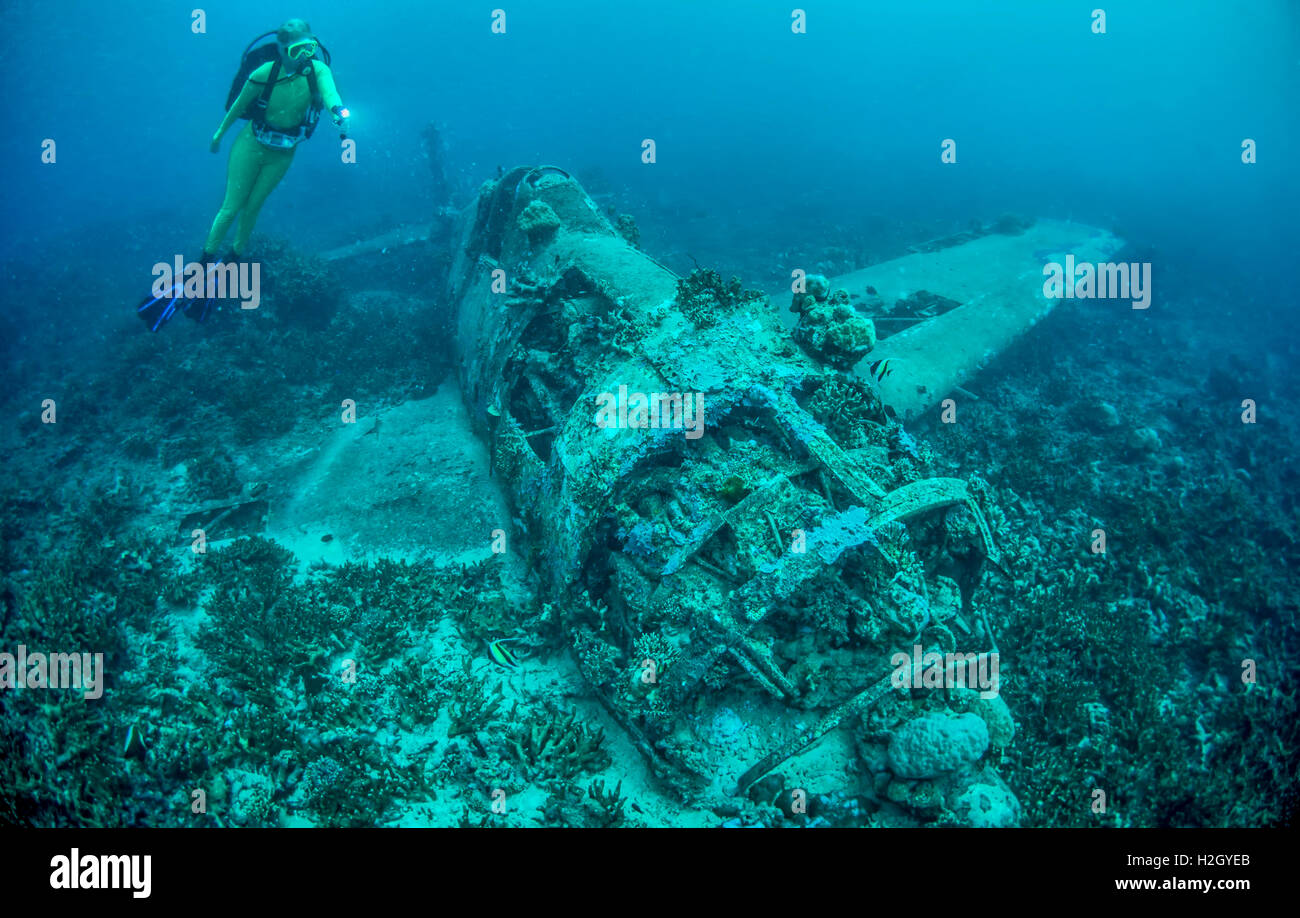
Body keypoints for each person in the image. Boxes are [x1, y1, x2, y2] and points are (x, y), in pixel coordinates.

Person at [138, 19, 349, 329]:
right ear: (282, 50)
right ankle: (203, 265)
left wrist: (337, 112)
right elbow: (237, 107)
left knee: (253, 207)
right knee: (232, 205)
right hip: (251, 143)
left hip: (284, 152)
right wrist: (219, 135)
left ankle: (231, 262)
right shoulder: (265, 73)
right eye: (297, 49)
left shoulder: (319, 72)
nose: (305, 55)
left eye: (310, 47)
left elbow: (331, 95)